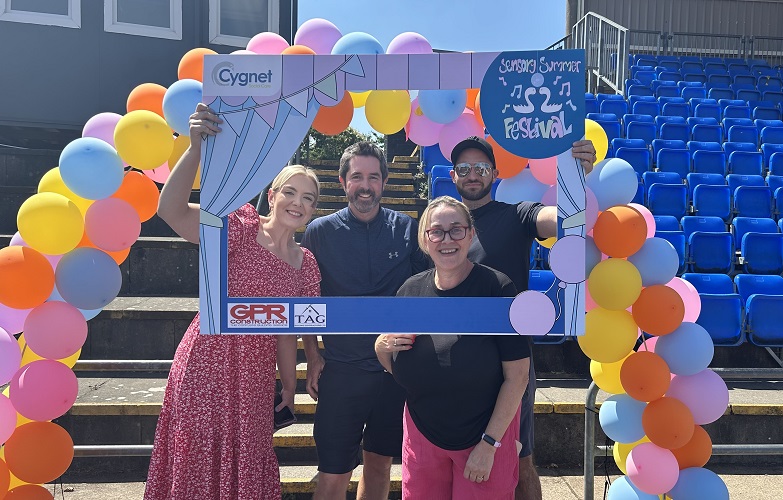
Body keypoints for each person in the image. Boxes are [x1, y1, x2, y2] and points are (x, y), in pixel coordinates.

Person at [144, 104, 322, 500]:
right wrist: (195, 149)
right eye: (289, 192)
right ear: (272, 196)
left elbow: (288, 331)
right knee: (197, 455)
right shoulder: (239, 227)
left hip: (255, 376)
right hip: (207, 359)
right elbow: (170, 210)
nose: (297, 202)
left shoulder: (305, 263)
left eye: (308, 198)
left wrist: (289, 387)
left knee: (248, 459)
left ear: (313, 209)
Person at [447, 135, 596, 500]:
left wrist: (577, 179)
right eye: (463, 168)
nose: (472, 175)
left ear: (495, 173)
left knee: (521, 460)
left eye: (480, 167)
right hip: (452, 358)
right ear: (453, 176)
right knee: (453, 459)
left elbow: (563, 219)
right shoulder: (440, 228)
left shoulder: (516, 214)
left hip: (510, 361)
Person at [375, 196, 530, 499]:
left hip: (483, 438)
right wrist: (381, 348)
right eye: (437, 231)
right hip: (422, 437)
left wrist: (489, 444)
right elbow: (397, 364)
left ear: (471, 235)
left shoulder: (497, 288)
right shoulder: (409, 291)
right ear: (425, 240)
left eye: (456, 229)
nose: (447, 239)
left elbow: (518, 376)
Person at [300, 141, 430, 500]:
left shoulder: (407, 228)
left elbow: (427, 291)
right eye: (357, 176)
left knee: (379, 466)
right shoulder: (319, 232)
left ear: (384, 182)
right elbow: (306, 301)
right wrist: (312, 355)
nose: (366, 186)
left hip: (393, 373)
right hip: (341, 372)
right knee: (332, 474)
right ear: (343, 182)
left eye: (373, 177)